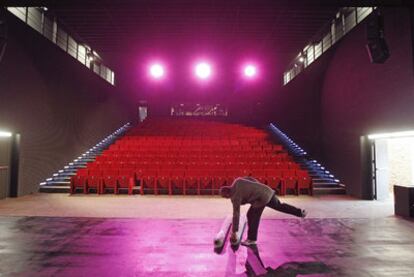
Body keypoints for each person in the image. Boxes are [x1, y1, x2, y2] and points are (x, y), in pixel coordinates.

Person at [220, 176, 307, 246]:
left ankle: (252, 239)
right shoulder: (237, 181)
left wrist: (234, 231)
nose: (227, 198)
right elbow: (252, 179)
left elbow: (236, 213)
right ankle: (300, 212)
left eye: (225, 197)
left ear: (228, 193)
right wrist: (259, 189)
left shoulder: (235, 197)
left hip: (261, 199)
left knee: (252, 216)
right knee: (279, 206)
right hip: (267, 190)